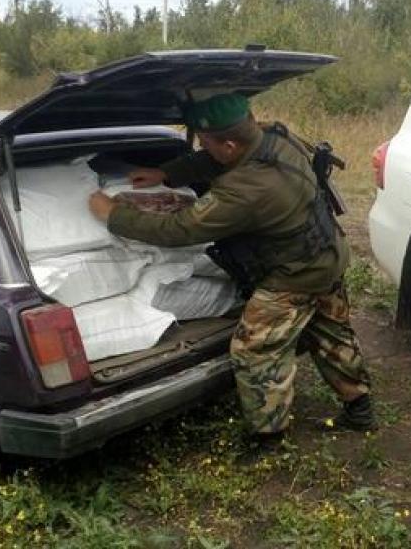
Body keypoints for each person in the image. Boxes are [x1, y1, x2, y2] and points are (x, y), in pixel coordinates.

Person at [88, 93, 375, 452]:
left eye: (206, 143)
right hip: (327, 254)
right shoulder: (276, 137)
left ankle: (268, 439)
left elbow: (180, 229)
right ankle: (360, 410)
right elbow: (218, 158)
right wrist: (168, 173)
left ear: (228, 144)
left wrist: (113, 214)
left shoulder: (247, 189)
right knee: (332, 332)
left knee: (254, 350)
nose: (203, 149)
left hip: (293, 277)